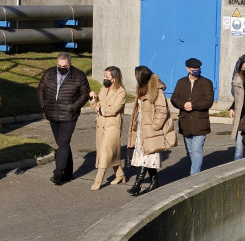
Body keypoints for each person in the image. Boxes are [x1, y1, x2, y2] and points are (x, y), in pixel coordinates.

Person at [37, 52, 91, 185]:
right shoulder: (49, 73)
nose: (61, 68)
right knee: (62, 144)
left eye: (64, 66)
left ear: (70, 64)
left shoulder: (78, 75)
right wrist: (43, 105)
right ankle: (68, 173)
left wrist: (74, 106)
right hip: (52, 114)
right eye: (59, 65)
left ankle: (58, 173)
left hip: (68, 115)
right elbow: (40, 89)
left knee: (63, 142)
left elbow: (85, 93)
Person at [127, 66, 174, 195]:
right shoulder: (142, 88)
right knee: (147, 156)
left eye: (137, 76)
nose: (136, 79)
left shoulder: (156, 89)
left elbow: (162, 109)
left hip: (151, 129)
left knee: (146, 155)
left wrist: (155, 126)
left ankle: (137, 184)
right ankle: (154, 181)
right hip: (142, 127)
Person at [170, 57, 214, 175]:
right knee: (190, 151)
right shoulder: (181, 82)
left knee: (196, 150)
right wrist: (183, 105)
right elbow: (174, 98)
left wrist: (193, 105)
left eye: (198, 68)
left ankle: (194, 176)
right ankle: (193, 172)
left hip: (200, 122)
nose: (197, 70)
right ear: (188, 69)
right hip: (186, 123)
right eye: (194, 68)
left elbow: (208, 101)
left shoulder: (207, 83)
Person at [90, 66, 127, 191]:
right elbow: (96, 106)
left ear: (114, 78)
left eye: (107, 76)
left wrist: (100, 109)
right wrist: (93, 99)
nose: (104, 78)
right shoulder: (103, 88)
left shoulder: (121, 92)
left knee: (105, 153)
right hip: (101, 124)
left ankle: (98, 180)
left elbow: (114, 109)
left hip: (113, 126)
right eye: (104, 76)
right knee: (106, 152)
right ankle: (120, 174)